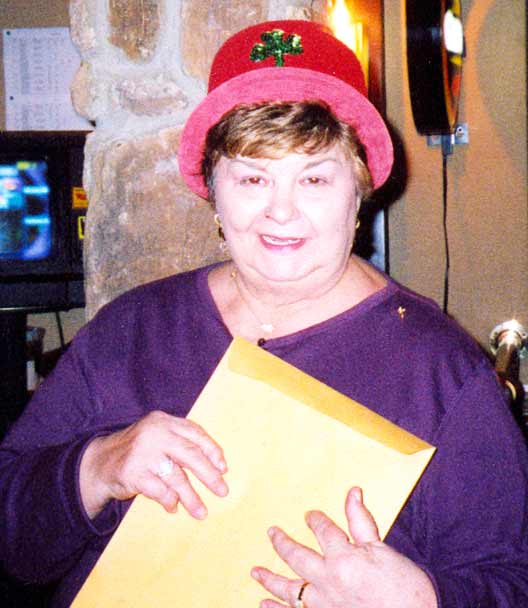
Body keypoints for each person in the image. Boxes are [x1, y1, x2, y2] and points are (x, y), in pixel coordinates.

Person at [0, 18, 527, 608]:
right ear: (213, 191)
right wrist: (93, 468)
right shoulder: (130, 329)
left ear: (358, 193)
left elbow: (512, 578)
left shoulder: (442, 373)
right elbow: (12, 538)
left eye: (314, 178)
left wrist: (423, 598)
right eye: (252, 176)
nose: (281, 212)